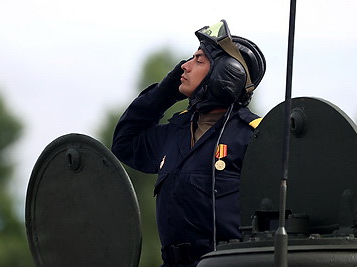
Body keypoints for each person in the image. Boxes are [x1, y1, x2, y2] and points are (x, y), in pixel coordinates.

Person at [112, 20, 266, 267]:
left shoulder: (255, 137)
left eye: (198, 60)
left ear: (226, 74)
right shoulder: (176, 131)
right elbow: (125, 143)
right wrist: (168, 89)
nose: (184, 65)